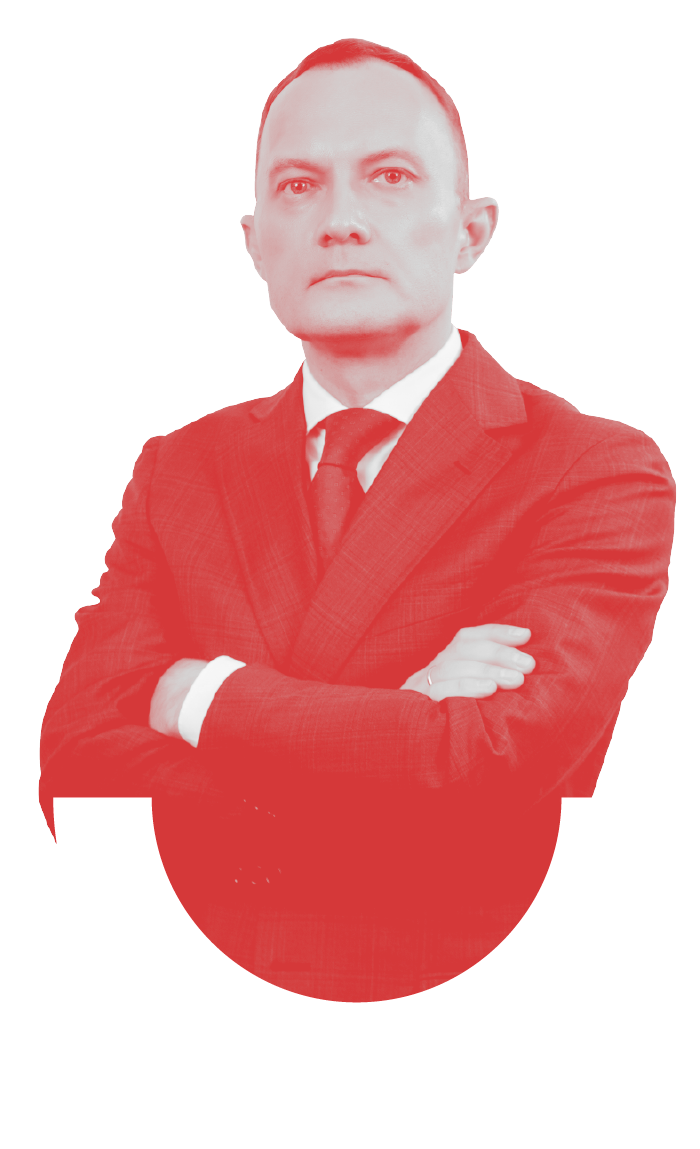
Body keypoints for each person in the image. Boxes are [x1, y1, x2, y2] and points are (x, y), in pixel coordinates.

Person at [39, 38, 675, 1002]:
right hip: (190, 989)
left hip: (471, 1001)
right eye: (298, 186)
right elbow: (77, 765)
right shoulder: (180, 470)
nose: (339, 220)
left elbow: (498, 768)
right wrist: (401, 723)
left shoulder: (591, 469)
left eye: (389, 176)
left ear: (471, 232)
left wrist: (198, 693)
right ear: (254, 242)